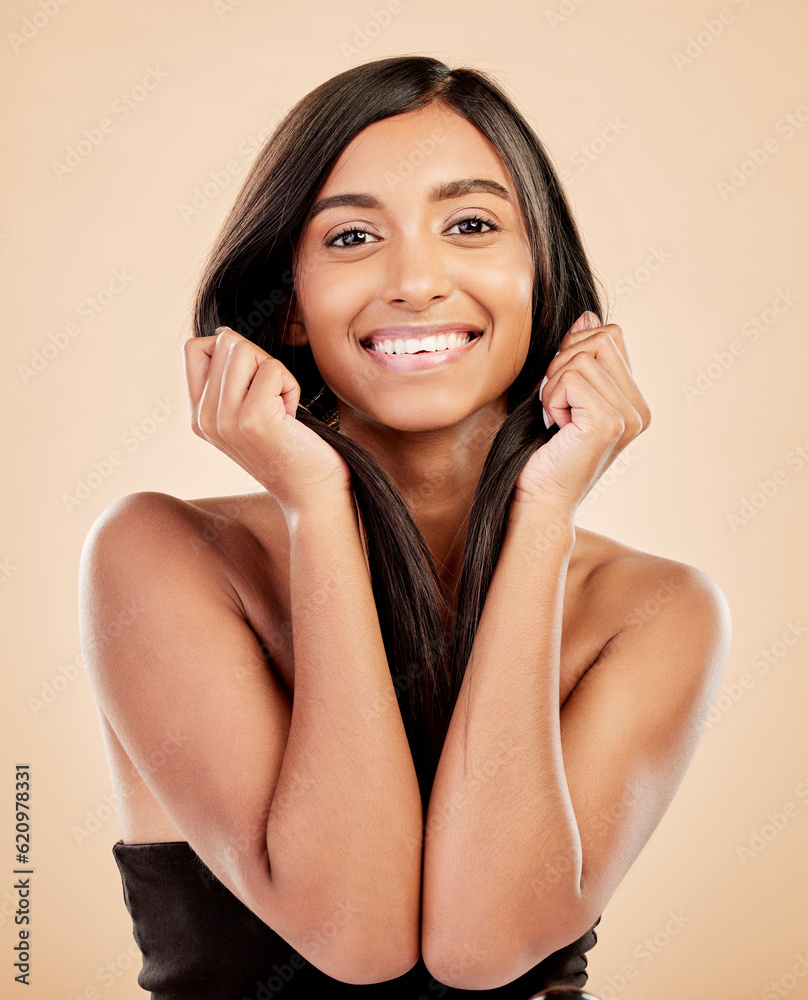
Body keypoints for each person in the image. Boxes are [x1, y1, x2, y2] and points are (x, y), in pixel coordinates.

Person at [79, 55, 732, 998]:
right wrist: (317, 507)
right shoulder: (161, 555)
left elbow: (481, 947)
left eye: (470, 225)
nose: (417, 280)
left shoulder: (655, 609)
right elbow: (356, 933)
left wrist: (543, 515)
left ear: (542, 281)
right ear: (289, 310)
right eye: (350, 237)